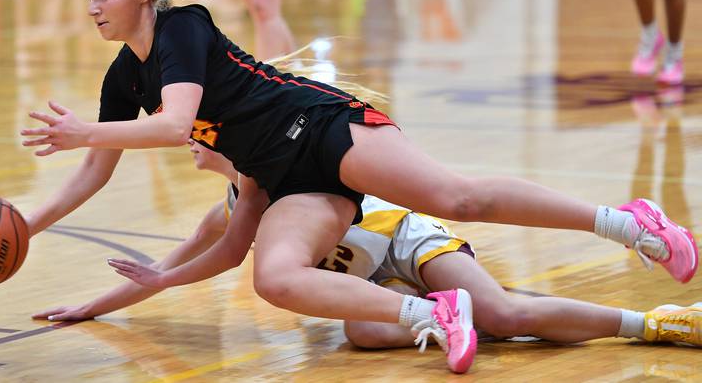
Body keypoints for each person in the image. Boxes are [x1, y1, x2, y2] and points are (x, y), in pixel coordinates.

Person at [20, 0, 698, 374]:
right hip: (288, 180)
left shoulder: (182, 29)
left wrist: (82, 129)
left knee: (455, 197)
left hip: (320, 123)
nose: (92, 9)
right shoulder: (121, 80)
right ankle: (435, 313)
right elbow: (92, 176)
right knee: (276, 276)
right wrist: (23, 227)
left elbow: (173, 123)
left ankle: (627, 223)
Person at [34, 142, 702, 356]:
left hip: (405, 241)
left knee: (506, 314)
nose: (193, 139)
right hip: (376, 283)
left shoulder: (272, 176)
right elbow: (167, 270)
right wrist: (93, 303)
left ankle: (655, 324)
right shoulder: (226, 210)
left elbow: (194, 267)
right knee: (359, 328)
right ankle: (439, 312)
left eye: (205, 132)